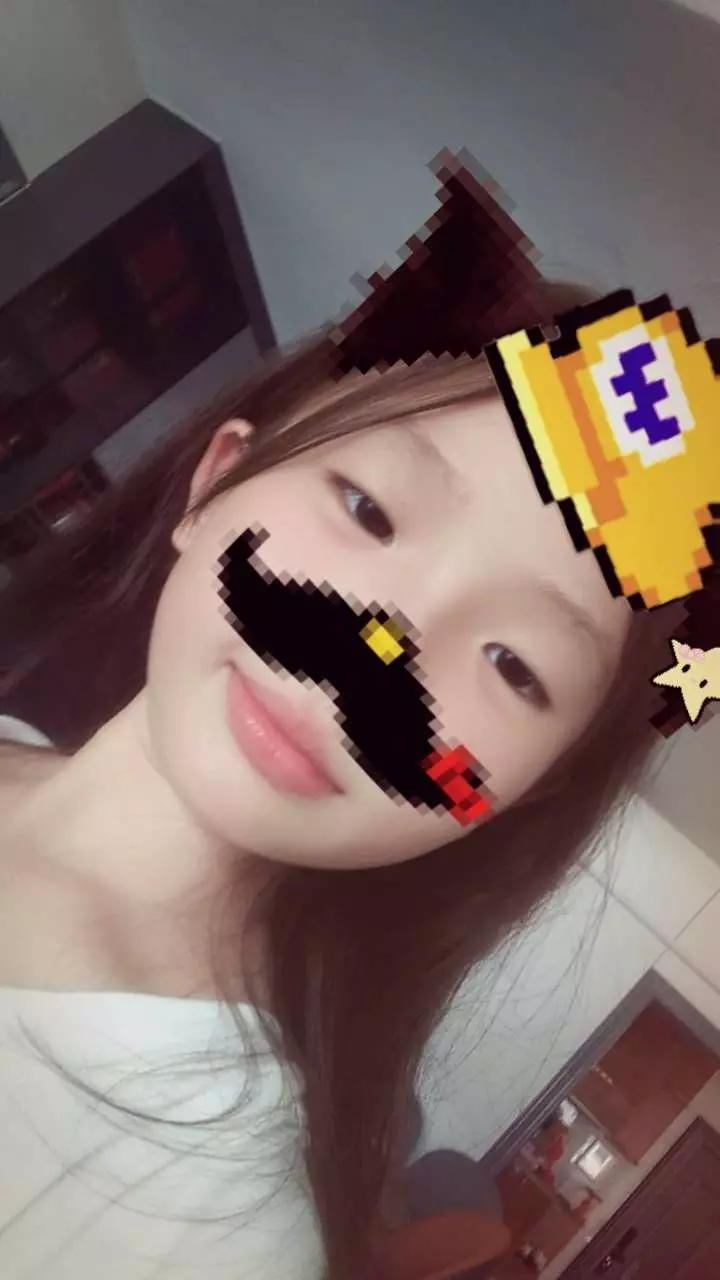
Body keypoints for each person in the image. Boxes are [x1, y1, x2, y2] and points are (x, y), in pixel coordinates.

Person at [0, 278, 687, 1280]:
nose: (381, 652)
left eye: (515, 667)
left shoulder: (203, 1222)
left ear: (508, 800)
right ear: (217, 479)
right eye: (368, 509)